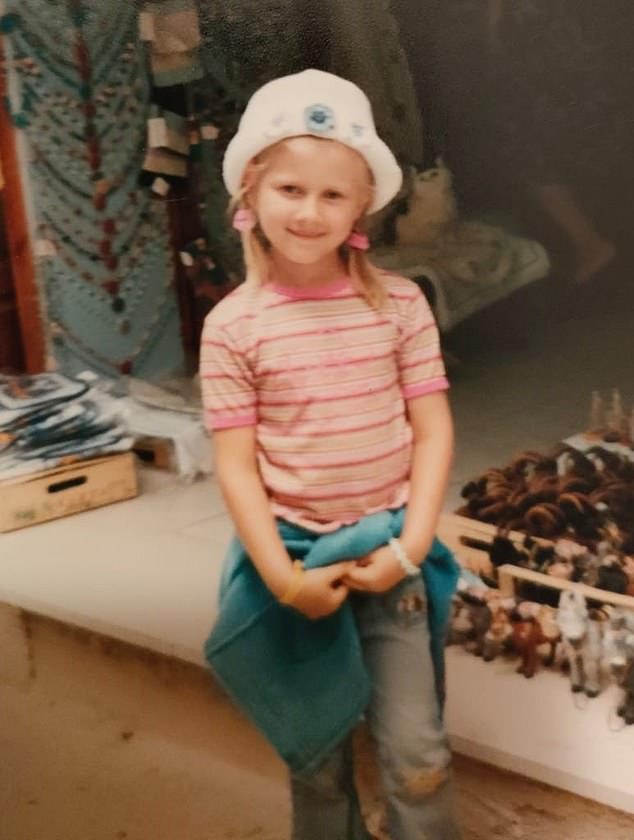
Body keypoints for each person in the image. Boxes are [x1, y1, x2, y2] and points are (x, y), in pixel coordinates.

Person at [200, 69, 462, 840]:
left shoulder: (401, 305)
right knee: (315, 763)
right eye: (290, 189)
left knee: (419, 753)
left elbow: (434, 430)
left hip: (390, 558)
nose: (309, 212)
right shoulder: (234, 327)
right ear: (250, 193)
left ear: (363, 208)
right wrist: (283, 578)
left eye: (332, 195)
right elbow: (236, 464)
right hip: (294, 565)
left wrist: (411, 546)